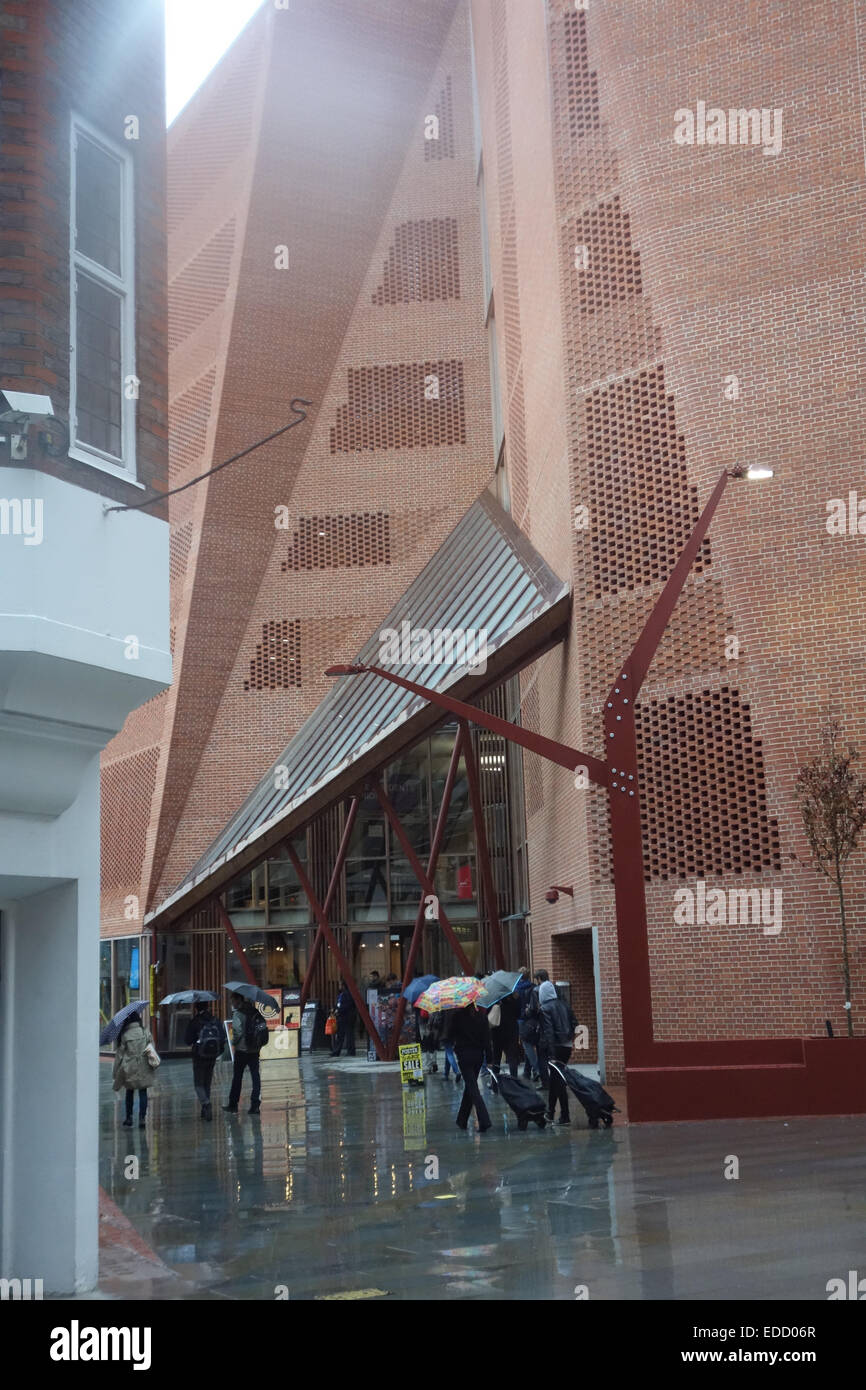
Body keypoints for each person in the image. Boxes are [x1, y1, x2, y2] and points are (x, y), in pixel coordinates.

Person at [445, 1002, 493, 1132]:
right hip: (478, 1056)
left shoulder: (457, 1016)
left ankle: (484, 1120)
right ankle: (462, 1120)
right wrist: (490, 1059)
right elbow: (487, 1039)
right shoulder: (481, 1016)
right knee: (470, 1086)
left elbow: (448, 1035)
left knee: (473, 1088)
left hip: (464, 1056)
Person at [538, 980, 578, 1125]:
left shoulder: (544, 1009)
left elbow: (548, 1032)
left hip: (554, 1047)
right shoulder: (565, 1005)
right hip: (566, 1046)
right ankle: (551, 1112)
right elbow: (575, 1023)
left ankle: (565, 1115)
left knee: (558, 1081)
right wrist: (568, 1037)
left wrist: (552, 1055)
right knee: (555, 1080)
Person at [223, 992, 264, 1114]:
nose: (232, 1004)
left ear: (238, 1000)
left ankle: (233, 1104)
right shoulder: (255, 1011)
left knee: (237, 1077)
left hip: (242, 1050)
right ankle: (255, 1104)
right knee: (255, 1076)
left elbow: (238, 1032)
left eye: (232, 1001)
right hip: (254, 1050)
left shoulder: (238, 1014)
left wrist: (233, 1042)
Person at [113, 1012, 155, 1129]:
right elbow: (151, 1048)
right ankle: (142, 1118)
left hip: (129, 1067)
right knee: (143, 1092)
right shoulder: (144, 1031)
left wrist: (115, 1071)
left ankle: (129, 1117)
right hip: (144, 1066)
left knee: (129, 1092)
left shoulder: (125, 1035)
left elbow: (120, 1055)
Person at [184, 1000, 225, 1120]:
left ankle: (206, 1104)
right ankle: (205, 1109)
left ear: (196, 1008)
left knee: (198, 1084)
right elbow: (222, 1038)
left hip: (199, 1056)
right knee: (207, 1082)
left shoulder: (195, 1021)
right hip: (212, 1056)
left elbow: (187, 1040)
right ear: (208, 1006)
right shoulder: (215, 1020)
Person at [332, 980, 356, 1057]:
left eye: (340, 985)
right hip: (342, 1016)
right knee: (342, 1035)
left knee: (347, 1035)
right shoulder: (342, 994)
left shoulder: (348, 994)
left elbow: (346, 1006)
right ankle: (337, 1051)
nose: (339, 986)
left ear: (343, 986)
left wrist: (338, 1010)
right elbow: (338, 1004)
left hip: (346, 1017)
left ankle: (349, 1051)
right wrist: (335, 1009)